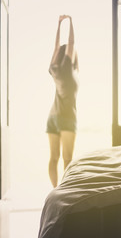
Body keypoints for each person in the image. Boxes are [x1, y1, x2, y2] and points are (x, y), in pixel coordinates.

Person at [46, 15, 79, 187]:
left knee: (54, 158)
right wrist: (70, 22)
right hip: (67, 117)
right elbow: (70, 43)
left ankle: (55, 190)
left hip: (52, 117)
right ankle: (64, 192)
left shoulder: (54, 69)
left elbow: (56, 47)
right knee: (67, 159)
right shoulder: (67, 68)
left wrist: (59, 24)